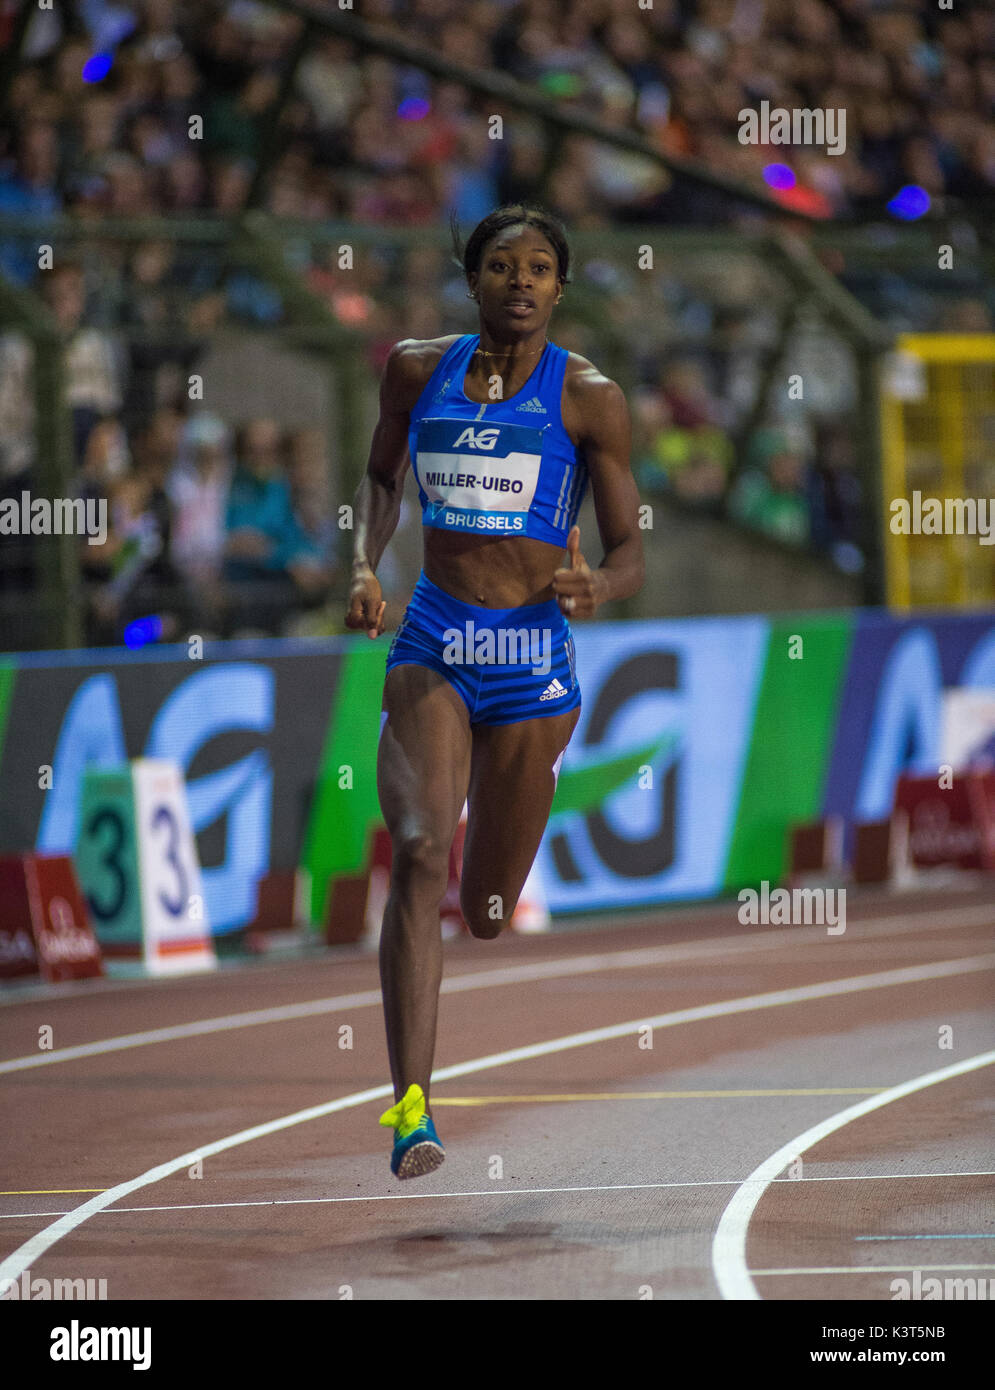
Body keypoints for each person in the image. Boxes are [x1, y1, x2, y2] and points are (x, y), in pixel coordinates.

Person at [345, 203, 643, 1179]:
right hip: (433, 635)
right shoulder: (410, 369)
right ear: (471, 280)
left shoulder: (588, 397)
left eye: (540, 268)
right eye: (502, 266)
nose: (520, 281)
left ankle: (506, 848)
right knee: (421, 852)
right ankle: (410, 1110)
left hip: (531, 660)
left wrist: (596, 583)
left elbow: (630, 545)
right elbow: (380, 477)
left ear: (560, 287)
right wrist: (363, 564)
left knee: (480, 910)